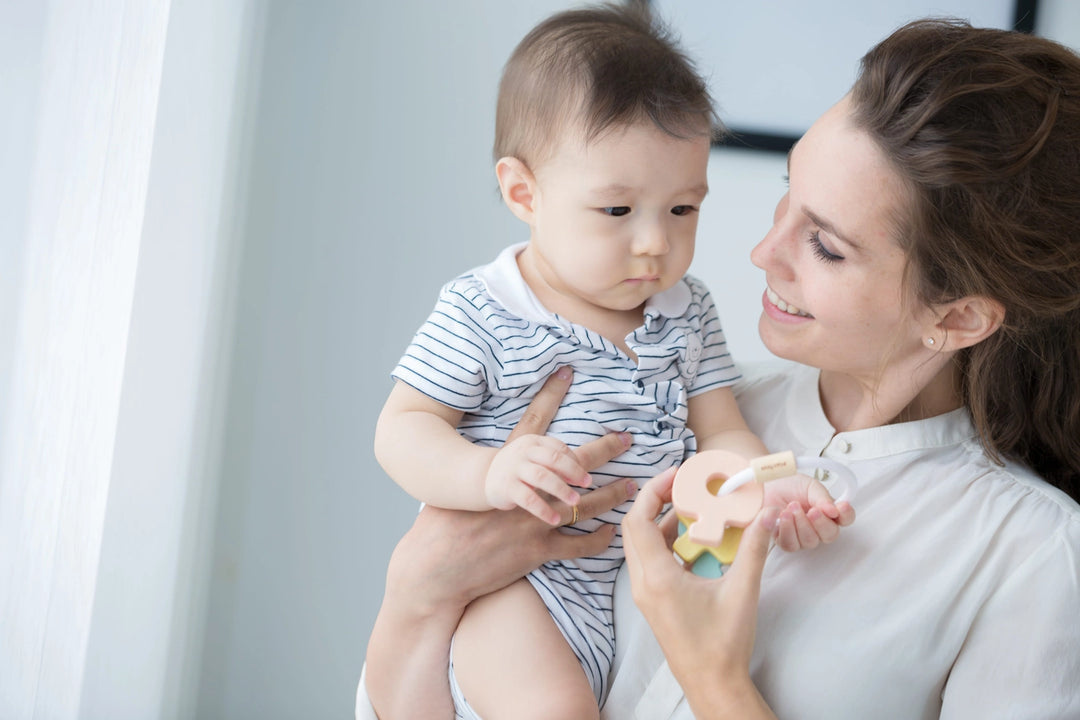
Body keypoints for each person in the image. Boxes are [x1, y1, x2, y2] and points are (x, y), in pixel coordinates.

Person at [362, 16, 1080, 720]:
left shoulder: (1030, 556)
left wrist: (716, 681)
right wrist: (417, 595)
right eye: (786, 192)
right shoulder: (686, 411)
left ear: (955, 316)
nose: (762, 252)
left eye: (825, 245)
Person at [372, 5, 849, 719]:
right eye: (619, 212)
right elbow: (403, 428)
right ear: (523, 193)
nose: (655, 243)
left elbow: (721, 432)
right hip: (514, 590)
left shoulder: (687, 310)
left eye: (683, 209)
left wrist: (763, 486)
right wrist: (488, 472)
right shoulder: (487, 308)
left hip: (634, 582)